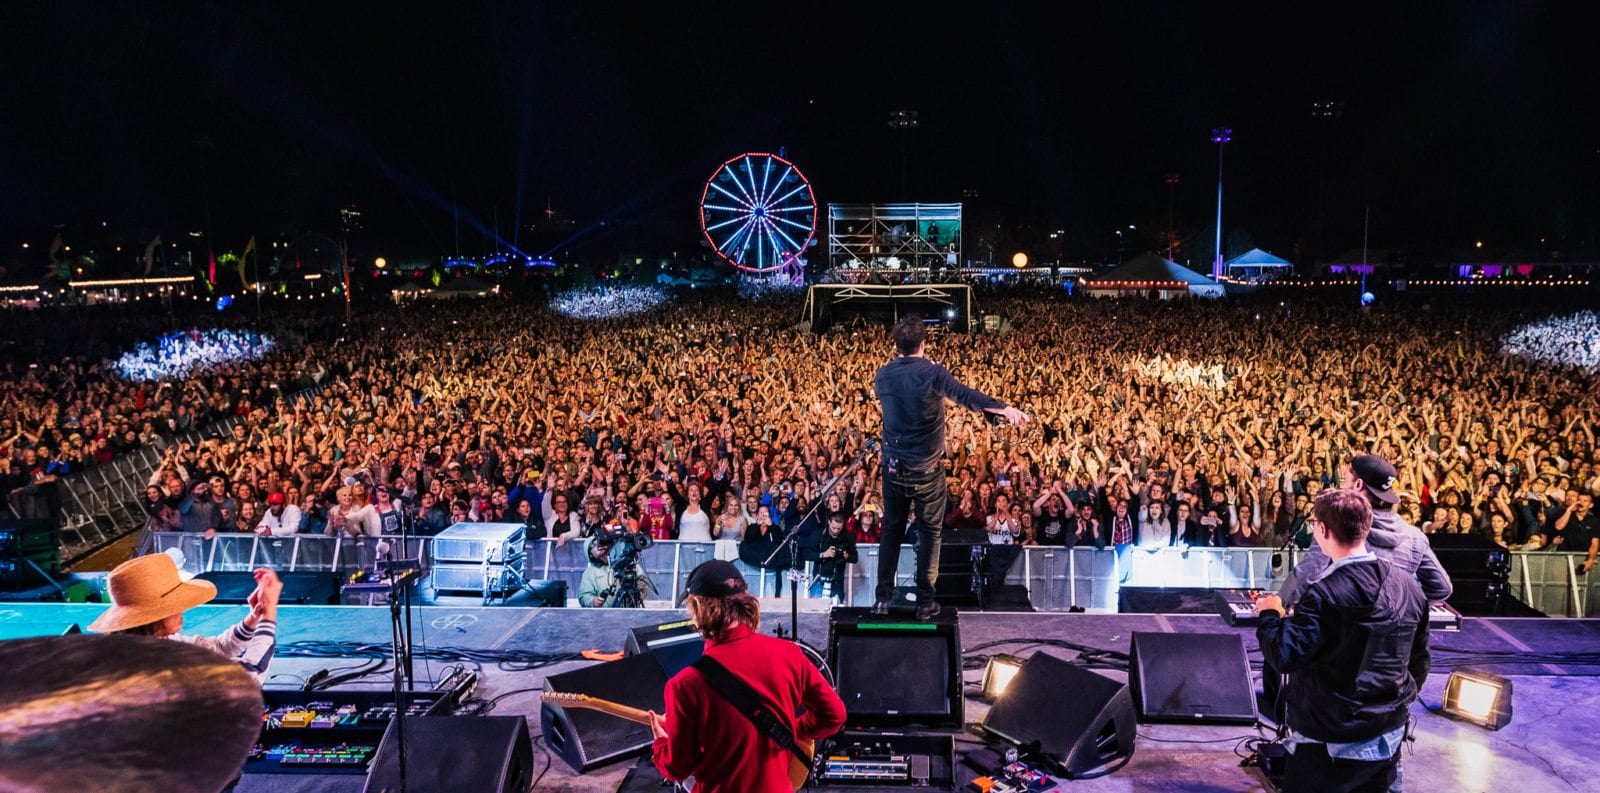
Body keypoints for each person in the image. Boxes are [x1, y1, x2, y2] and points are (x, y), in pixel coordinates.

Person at [1254, 489, 1430, 793]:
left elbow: (1284, 656)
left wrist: (1270, 615)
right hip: (1386, 737)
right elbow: (1419, 661)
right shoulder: (1408, 587)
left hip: (1329, 742)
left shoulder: (1323, 594)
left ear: (1322, 530)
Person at [873, 315, 1028, 618]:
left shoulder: (883, 375)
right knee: (930, 535)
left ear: (896, 344)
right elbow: (966, 396)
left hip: (893, 469)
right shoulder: (932, 373)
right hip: (927, 473)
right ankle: (924, 601)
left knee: (891, 532)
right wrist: (1003, 408)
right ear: (924, 342)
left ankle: (883, 599)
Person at [649, 561, 846, 793]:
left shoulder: (684, 685)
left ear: (699, 608)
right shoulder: (789, 654)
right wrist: (791, 729)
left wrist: (662, 743)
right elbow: (834, 715)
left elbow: (676, 768)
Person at [1280, 455, 1453, 606]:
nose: (1341, 486)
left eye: (1345, 481)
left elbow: (1308, 574)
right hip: (1390, 637)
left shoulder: (1337, 523)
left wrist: (1277, 604)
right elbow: (1442, 587)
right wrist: (1407, 607)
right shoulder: (1415, 537)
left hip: (1344, 636)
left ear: (1358, 484)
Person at [88, 553, 282, 681]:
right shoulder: (161, 664)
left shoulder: (153, 642)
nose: (182, 609)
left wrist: (253, 618)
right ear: (156, 615)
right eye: (175, 604)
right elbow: (248, 678)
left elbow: (217, 648)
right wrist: (269, 612)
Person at [811, 512, 859, 602]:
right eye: (833, 528)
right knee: (815, 611)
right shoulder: (819, 535)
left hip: (837, 582)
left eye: (839, 529)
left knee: (837, 612)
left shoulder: (848, 538)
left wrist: (846, 555)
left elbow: (855, 558)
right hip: (818, 580)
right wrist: (823, 554)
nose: (836, 531)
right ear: (829, 522)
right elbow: (807, 554)